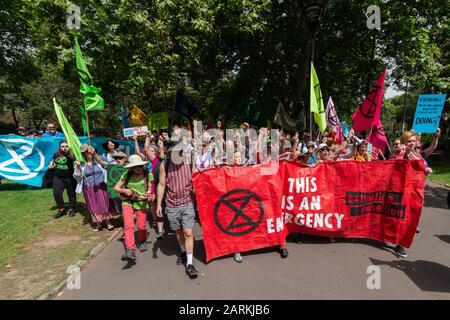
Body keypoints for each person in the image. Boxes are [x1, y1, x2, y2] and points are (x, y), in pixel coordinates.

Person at [156, 143, 199, 278]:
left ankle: (190, 264)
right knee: (179, 231)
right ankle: (183, 252)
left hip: (187, 202)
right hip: (172, 204)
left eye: (179, 151)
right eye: (173, 151)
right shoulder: (165, 165)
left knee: (188, 232)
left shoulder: (189, 161)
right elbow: (162, 184)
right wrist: (158, 205)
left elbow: (196, 179)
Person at [114, 155, 154, 261]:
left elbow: (150, 188)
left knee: (141, 227)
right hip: (127, 201)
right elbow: (116, 187)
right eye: (135, 167)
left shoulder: (148, 175)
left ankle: (143, 240)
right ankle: (130, 250)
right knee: (128, 225)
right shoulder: (126, 174)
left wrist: (149, 193)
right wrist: (124, 191)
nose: (138, 168)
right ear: (131, 167)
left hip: (141, 202)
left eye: (140, 166)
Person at [74, 144, 114, 232]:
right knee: (93, 205)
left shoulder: (98, 160)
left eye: (90, 151)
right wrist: (78, 166)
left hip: (101, 186)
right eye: (87, 152)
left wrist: (95, 155)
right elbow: (77, 176)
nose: (89, 153)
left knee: (104, 203)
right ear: (83, 153)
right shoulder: (81, 164)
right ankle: (98, 223)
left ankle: (108, 222)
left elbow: (107, 164)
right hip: (89, 188)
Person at [48, 141, 77, 218]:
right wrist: (51, 166)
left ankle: (71, 209)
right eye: (62, 146)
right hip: (58, 177)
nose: (64, 148)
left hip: (70, 178)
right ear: (59, 147)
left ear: (69, 147)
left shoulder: (73, 155)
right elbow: (52, 164)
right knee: (56, 193)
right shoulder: (56, 154)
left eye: (66, 146)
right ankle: (61, 209)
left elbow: (77, 164)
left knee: (71, 194)